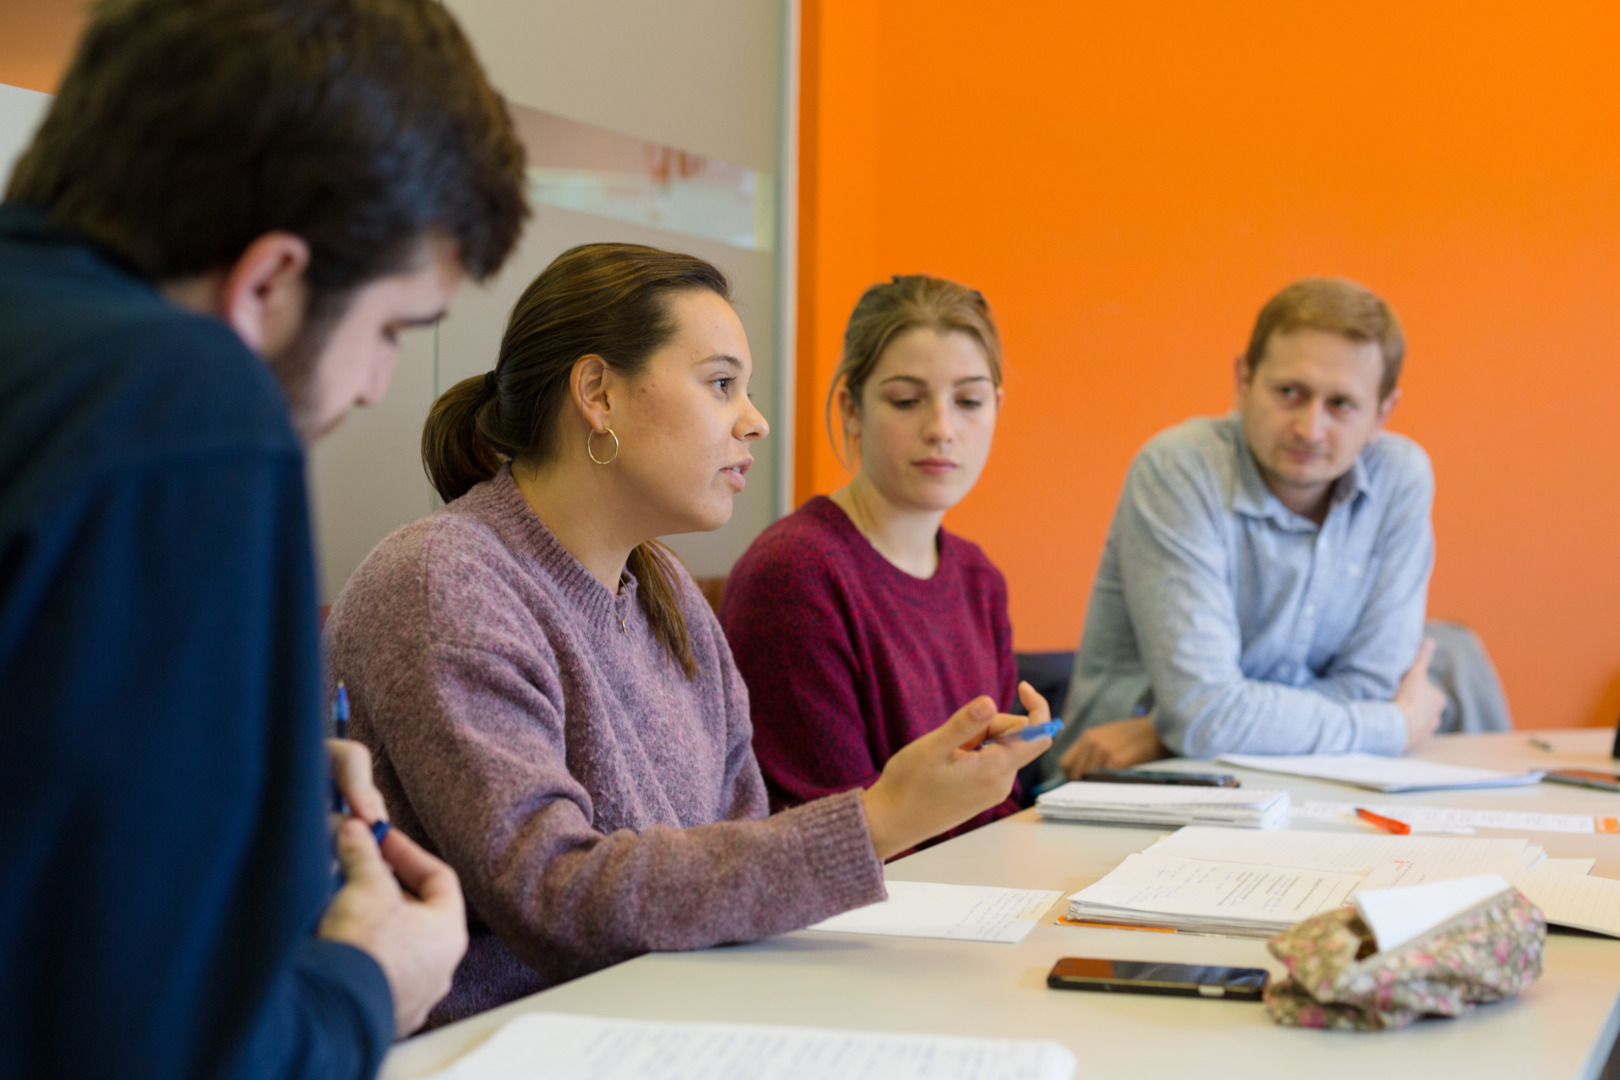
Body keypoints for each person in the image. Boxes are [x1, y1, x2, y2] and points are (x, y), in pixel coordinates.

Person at [0, 1, 529, 1076]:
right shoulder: (182, 403)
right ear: (269, 282)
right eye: (390, 329)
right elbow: (161, 1050)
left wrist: (228, 773)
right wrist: (364, 984)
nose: (376, 385)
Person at [324, 244, 1050, 1027]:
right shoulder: (443, 583)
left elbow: (737, 852)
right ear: (598, 394)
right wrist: (879, 820)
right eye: (721, 384)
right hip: (498, 1044)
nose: (755, 420)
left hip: (668, 1018)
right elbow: (548, 891)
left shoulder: (665, 587)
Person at [1051, 277, 1447, 780]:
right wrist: (1390, 726)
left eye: (1341, 404)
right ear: (1243, 380)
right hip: (1122, 787)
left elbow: (1371, 688)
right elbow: (1203, 714)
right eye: (1289, 392)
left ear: (1382, 413)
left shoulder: (1399, 477)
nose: (1310, 429)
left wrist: (1172, 729)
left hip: (1304, 782)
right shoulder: (1180, 468)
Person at [720, 275, 1021, 840]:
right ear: (851, 409)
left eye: (969, 401)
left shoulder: (979, 579)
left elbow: (993, 805)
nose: (941, 429)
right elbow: (822, 836)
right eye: (906, 401)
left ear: (996, 408)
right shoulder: (796, 575)